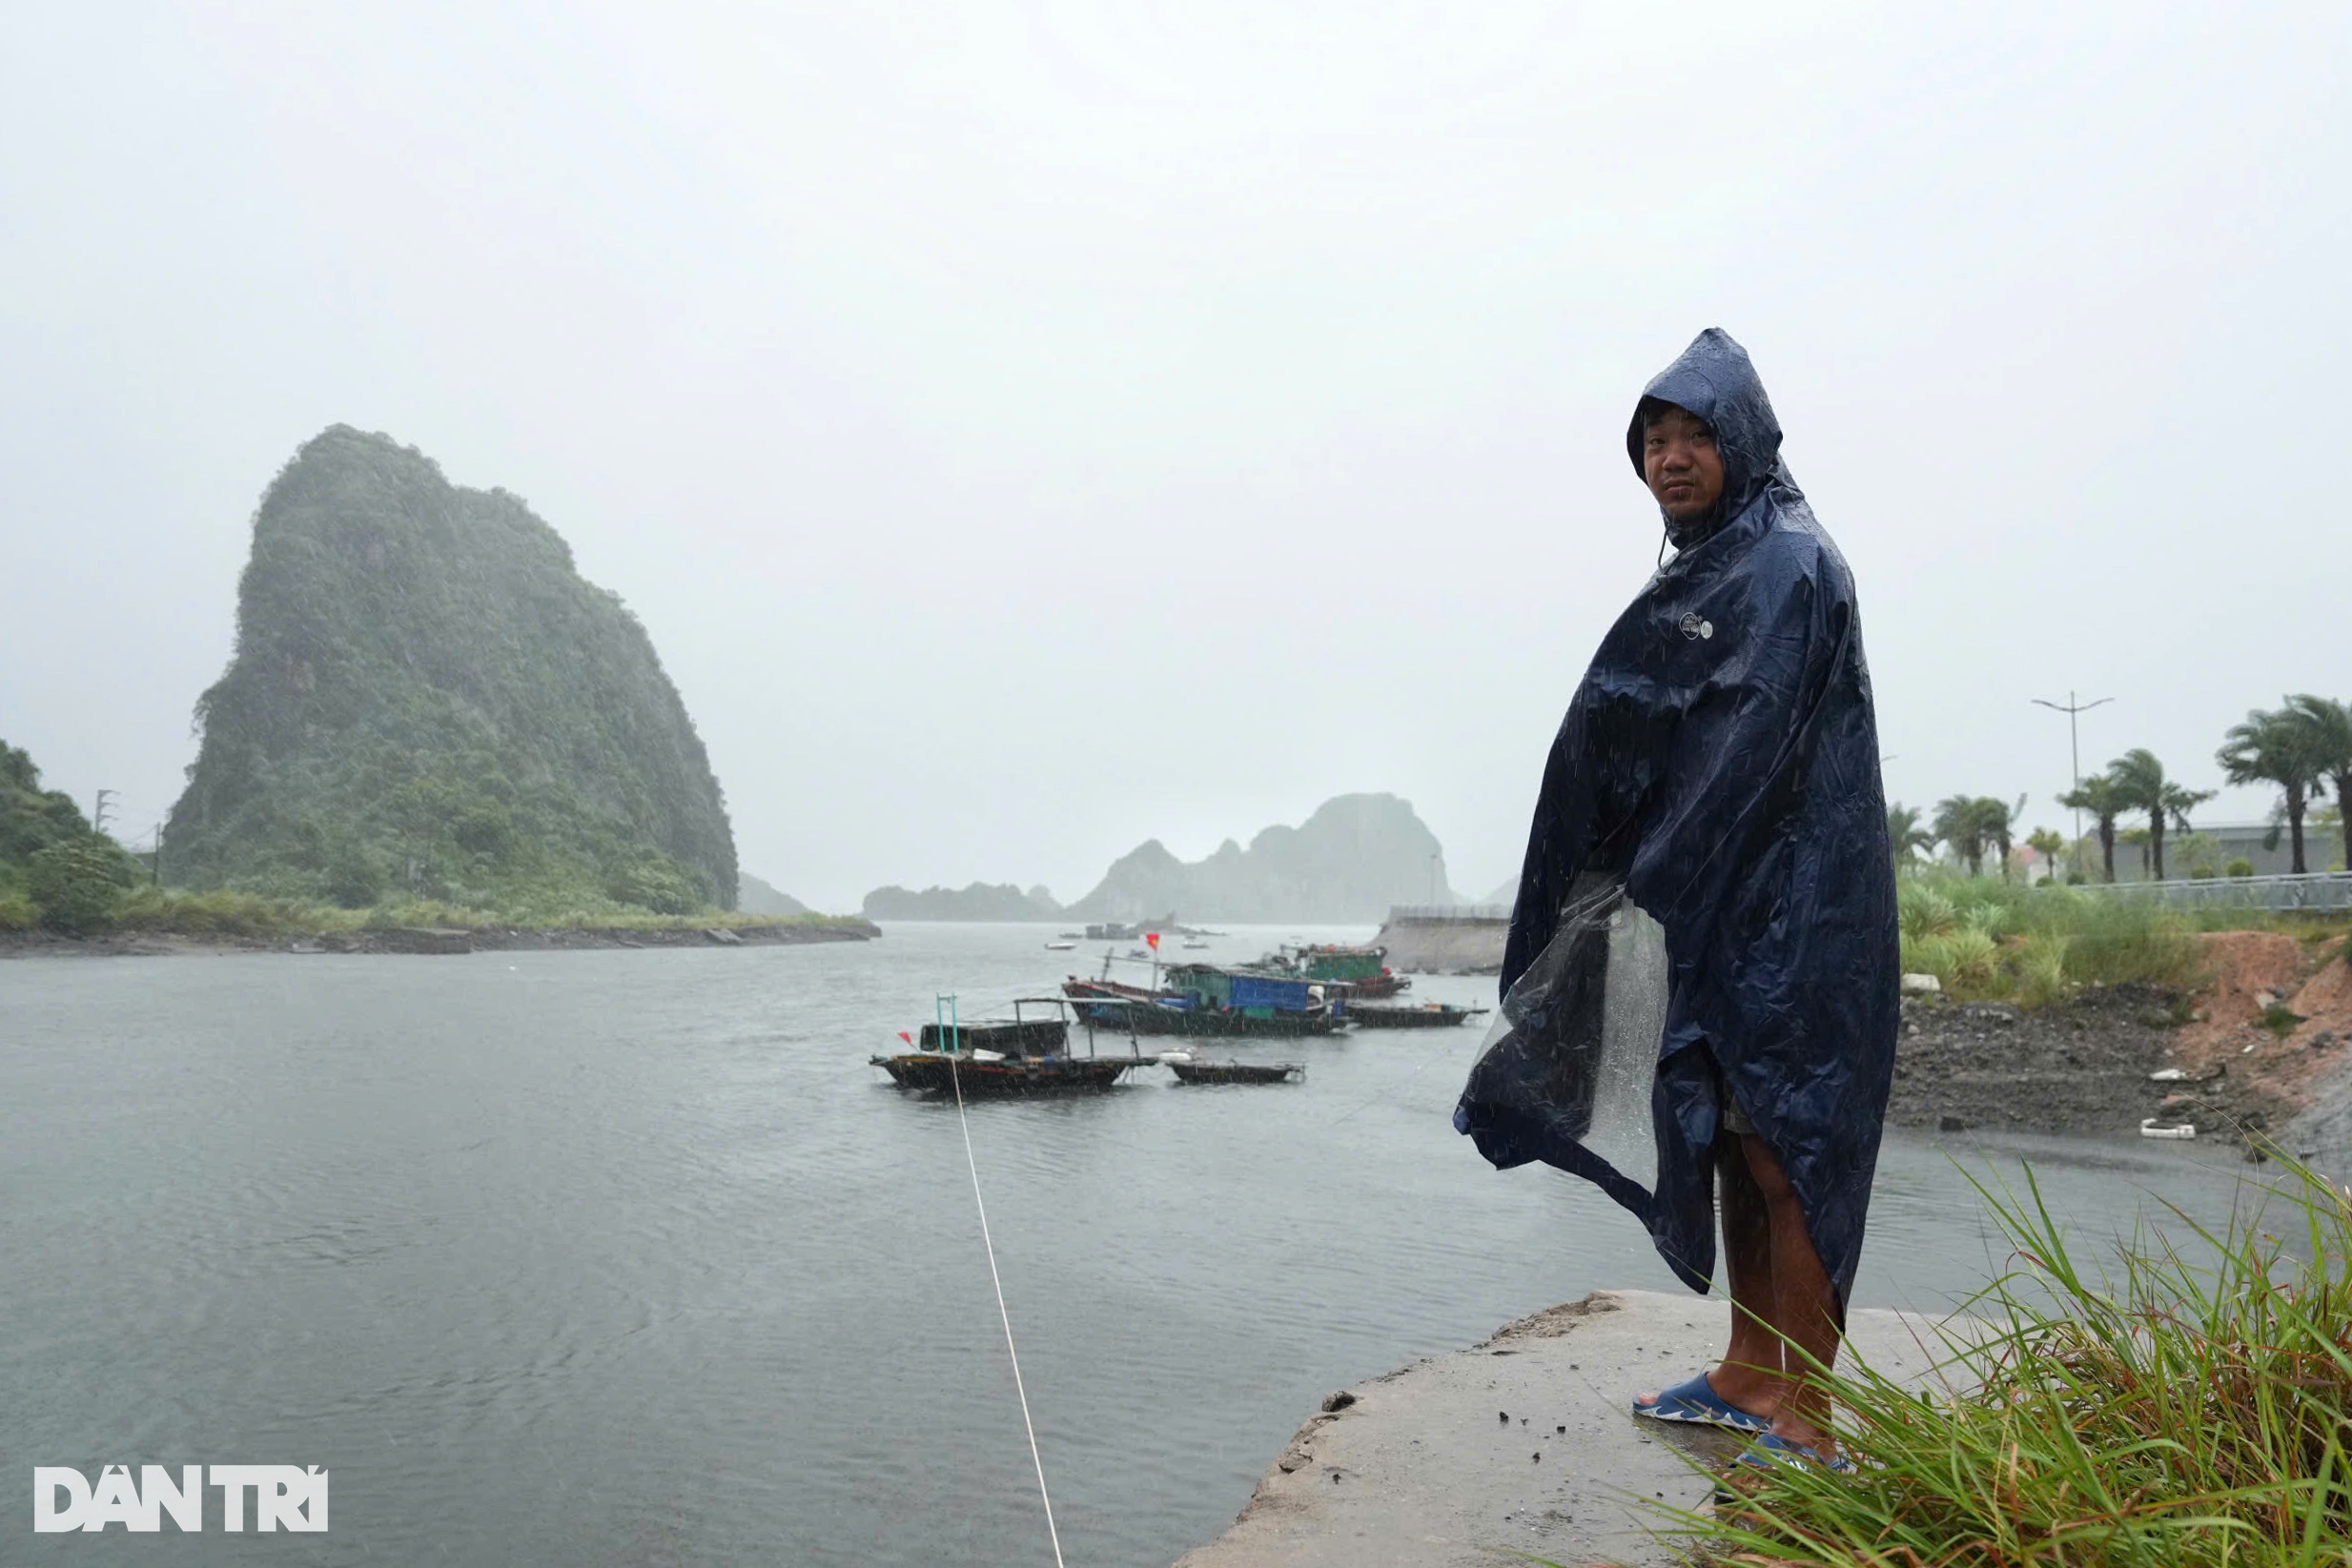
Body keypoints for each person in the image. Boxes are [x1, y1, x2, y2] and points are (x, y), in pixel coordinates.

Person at [1454, 328, 1897, 1465]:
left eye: (1695, 433)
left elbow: (1746, 744)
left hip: (1793, 919)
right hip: (1718, 920)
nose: (1672, 457)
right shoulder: (1706, 566)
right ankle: (1752, 1371)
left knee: (1785, 1150)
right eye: (1653, 440)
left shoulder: (1788, 563)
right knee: (1728, 1143)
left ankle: (1807, 1408)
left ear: (1743, 439)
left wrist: (1646, 880)